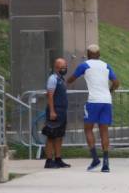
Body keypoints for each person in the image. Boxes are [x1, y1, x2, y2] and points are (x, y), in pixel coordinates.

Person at [67, 44, 119, 173]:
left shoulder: (85, 65)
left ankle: (95, 158)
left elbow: (71, 79)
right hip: (106, 101)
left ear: (88, 54)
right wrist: (109, 90)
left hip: (94, 101)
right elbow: (116, 82)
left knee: (88, 128)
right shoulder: (106, 65)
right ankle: (106, 163)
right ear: (99, 54)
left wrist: (67, 80)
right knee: (104, 131)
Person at [42, 58, 71, 169]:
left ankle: (58, 159)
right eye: (62, 67)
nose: (64, 69)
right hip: (55, 110)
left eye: (65, 67)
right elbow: (50, 95)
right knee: (51, 136)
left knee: (59, 136)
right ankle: (49, 161)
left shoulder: (61, 79)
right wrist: (52, 111)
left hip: (62, 111)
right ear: (56, 68)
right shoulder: (53, 79)